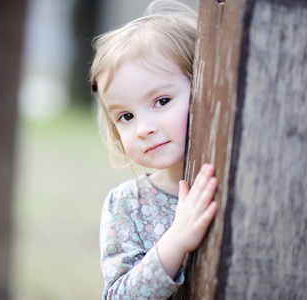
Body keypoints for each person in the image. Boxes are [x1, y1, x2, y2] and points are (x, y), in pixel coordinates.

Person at [90, 0, 219, 299]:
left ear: (203, 88)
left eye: (161, 101)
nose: (142, 128)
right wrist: (176, 240)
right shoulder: (125, 205)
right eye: (126, 116)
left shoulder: (232, 180)